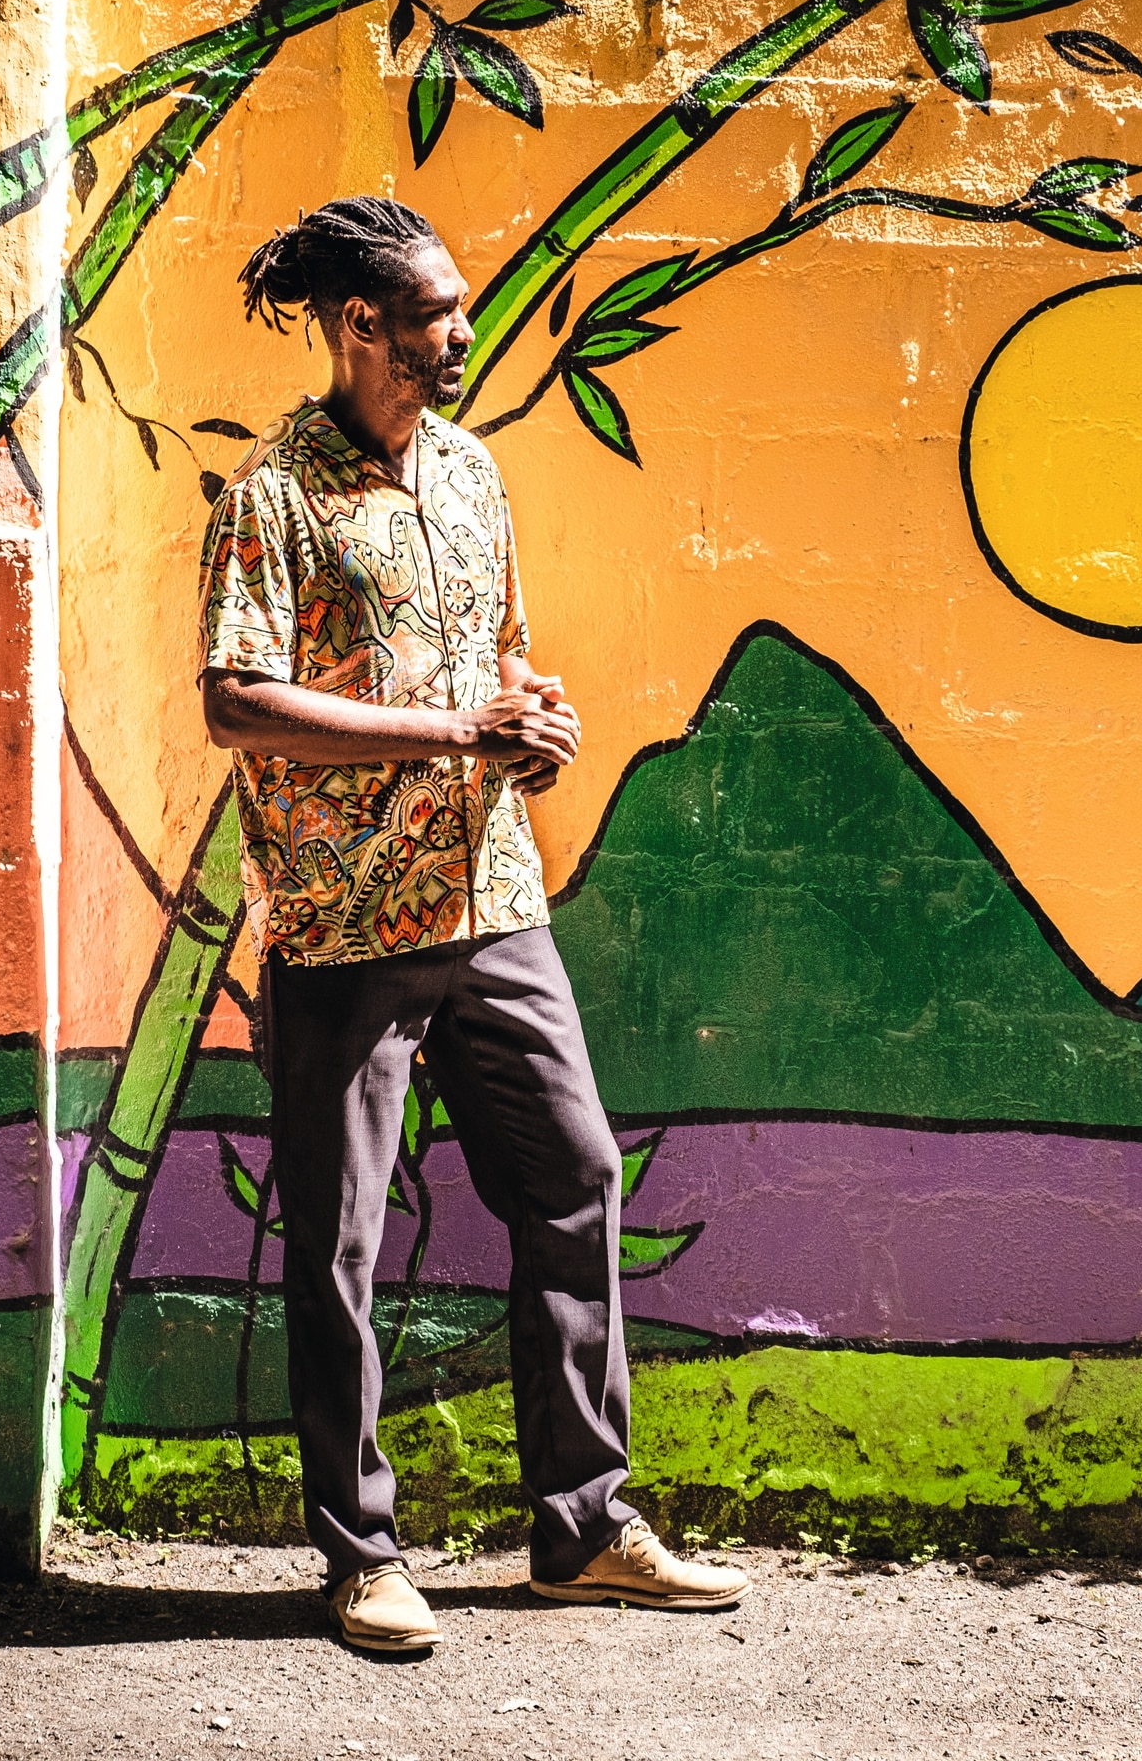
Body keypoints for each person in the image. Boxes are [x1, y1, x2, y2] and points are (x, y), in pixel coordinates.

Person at [195, 196, 748, 1654]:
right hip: (342, 929)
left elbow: (498, 661)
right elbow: (234, 699)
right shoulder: (276, 492)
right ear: (361, 324)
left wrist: (534, 723)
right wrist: (455, 729)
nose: (459, 331)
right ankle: (360, 1554)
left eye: (459, 307)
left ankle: (581, 1529)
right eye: (433, 311)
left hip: (495, 904)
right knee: (338, 1244)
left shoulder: (472, 474)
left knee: (574, 1180)